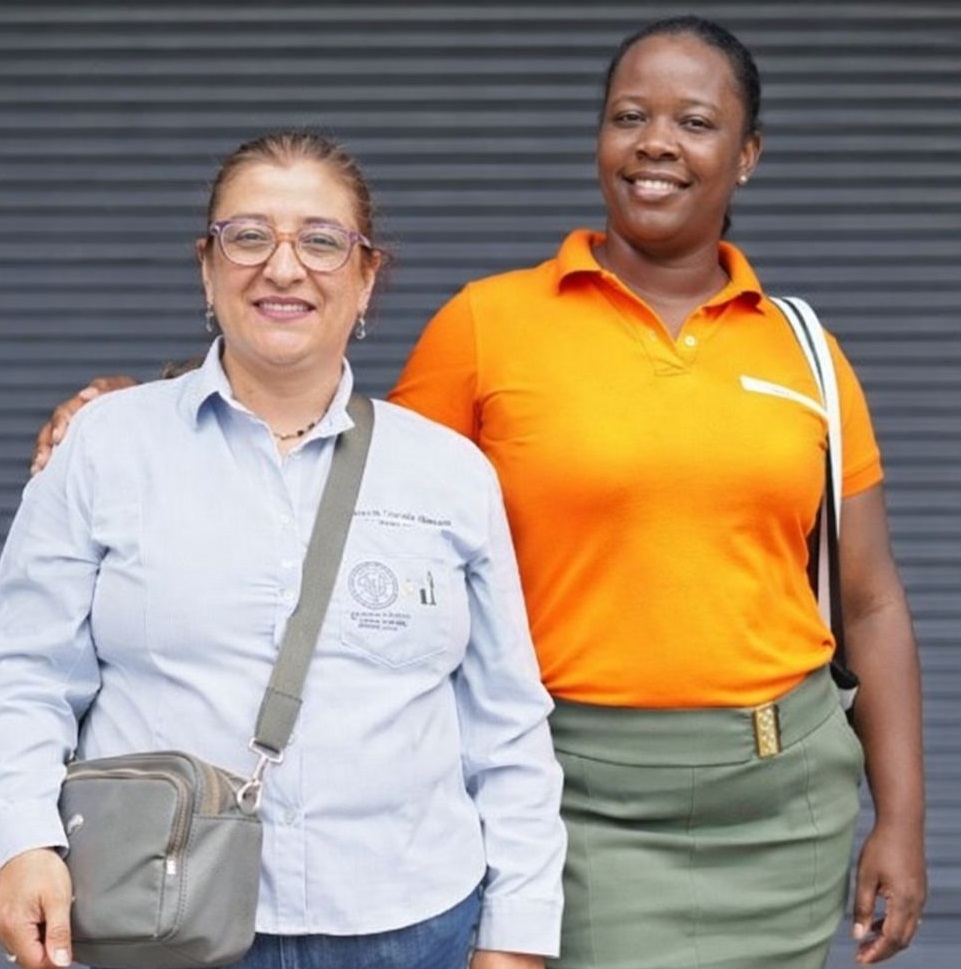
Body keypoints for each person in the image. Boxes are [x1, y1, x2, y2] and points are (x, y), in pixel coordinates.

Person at [24, 15, 927, 969]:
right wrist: (146, 405)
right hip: (588, 791)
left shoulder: (806, 351)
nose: (656, 142)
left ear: (746, 155)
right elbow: (329, 454)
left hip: (785, 795)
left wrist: (901, 819)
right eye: (629, 116)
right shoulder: (489, 326)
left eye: (694, 122)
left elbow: (869, 599)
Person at [0, 130, 566, 969]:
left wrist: (516, 937)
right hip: (154, 923)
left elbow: (506, 727)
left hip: (410, 928)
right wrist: (23, 840)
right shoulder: (105, 446)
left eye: (322, 240)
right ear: (207, 267)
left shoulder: (448, 473)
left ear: (367, 276)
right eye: (248, 236)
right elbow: (24, 672)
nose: (283, 267)